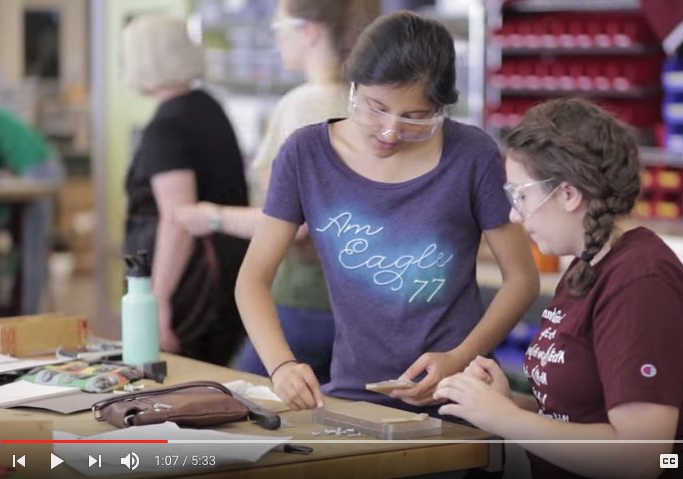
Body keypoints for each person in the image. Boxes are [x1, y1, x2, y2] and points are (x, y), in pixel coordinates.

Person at [235, 11, 539, 413]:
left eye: (415, 118)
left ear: (441, 107)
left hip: (461, 396)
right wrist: (282, 366)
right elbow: (252, 279)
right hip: (355, 396)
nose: (390, 132)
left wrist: (460, 357)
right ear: (353, 85)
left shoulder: (472, 156)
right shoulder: (305, 155)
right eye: (375, 108)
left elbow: (522, 279)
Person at [434, 98, 683, 479]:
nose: (514, 214)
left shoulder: (641, 283)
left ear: (568, 194)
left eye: (521, 196)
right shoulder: (587, 265)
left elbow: (639, 456)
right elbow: (576, 417)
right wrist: (506, 403)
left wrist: (504, 417)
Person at [176, 0, 379, 384]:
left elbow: (295, 223)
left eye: (279, 29)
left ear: (310, 30)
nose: (276, 40)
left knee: (243, 400)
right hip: (367, 305)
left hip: (307, 300)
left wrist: (211, 216)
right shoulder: (373, 105)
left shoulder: (303, 105)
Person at [121, 14, 249, 366]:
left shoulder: (165, 127)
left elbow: (177, 220)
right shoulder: (208, 107)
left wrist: (157, 301)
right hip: (228, 274)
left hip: (189, 283)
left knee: (177, 381)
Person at [0, 103, 65, 314]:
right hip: (36, 168)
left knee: (33, 247)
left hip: (40, 170)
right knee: (29, 245)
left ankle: (28, 313)